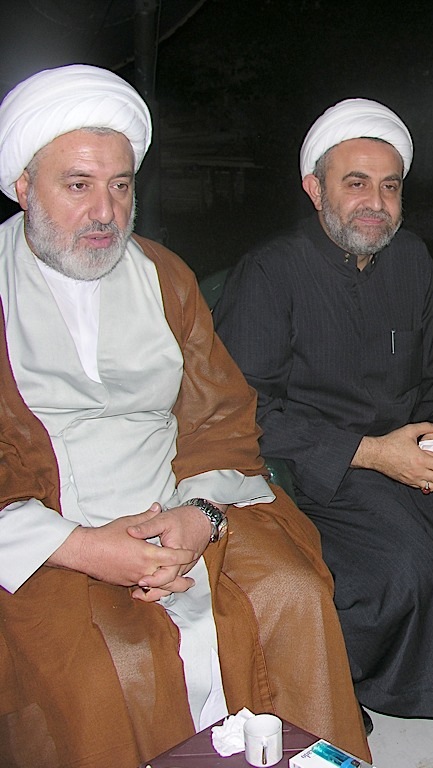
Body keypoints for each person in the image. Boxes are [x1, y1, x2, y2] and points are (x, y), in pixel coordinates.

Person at [0, 65, 369, 767]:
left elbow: (220, 414)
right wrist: (82, 547)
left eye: (120, 185)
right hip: (43, 531)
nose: (105, 212)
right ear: (24, 187)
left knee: (292, 596)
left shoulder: (163, 275)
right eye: (77, 185)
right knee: (115, 666)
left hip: (179, 497)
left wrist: (198, 516)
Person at [214, 99, 433, 726]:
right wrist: (371, 454)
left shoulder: (411, 258)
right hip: (320, 469)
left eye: (390, 187)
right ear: (315, 190)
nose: (376, 202)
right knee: (402, 567)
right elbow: (242, 411)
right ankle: (387, 686)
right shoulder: (271, 274)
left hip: (408, 449)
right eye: (356, 183)